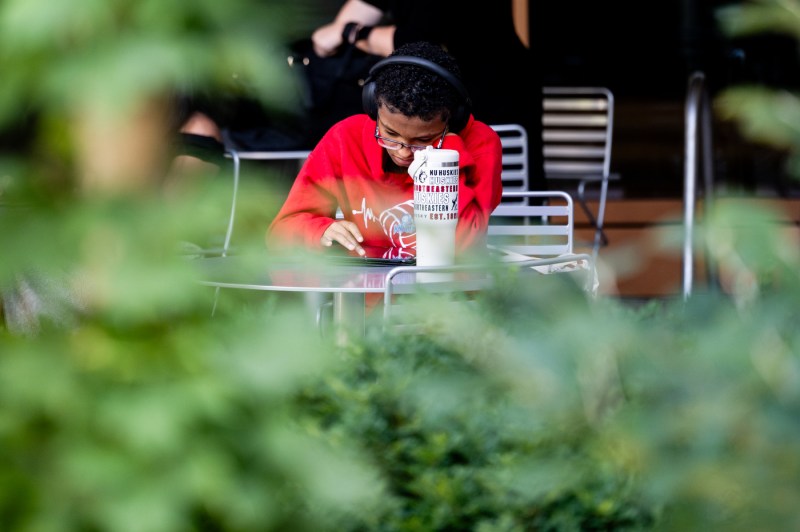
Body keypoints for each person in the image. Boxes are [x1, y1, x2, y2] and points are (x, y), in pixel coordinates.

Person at [266, 41, 503, 259]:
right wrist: (321, 231)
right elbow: (282, 232)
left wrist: (446, 157)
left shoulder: (480, 144)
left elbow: (464, 247)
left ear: (455, 121)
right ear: (372, 107)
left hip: (449, 299)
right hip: (366, 298)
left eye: (423, 140)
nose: (402, 153)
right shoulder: (345, 138)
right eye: (390, 134)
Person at [310, 0, 543, 188]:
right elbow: (329, 36)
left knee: (501, 186)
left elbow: (415, 42)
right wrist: (345, 30)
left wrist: (349, 32)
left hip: (493, 86)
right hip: (445, 96)